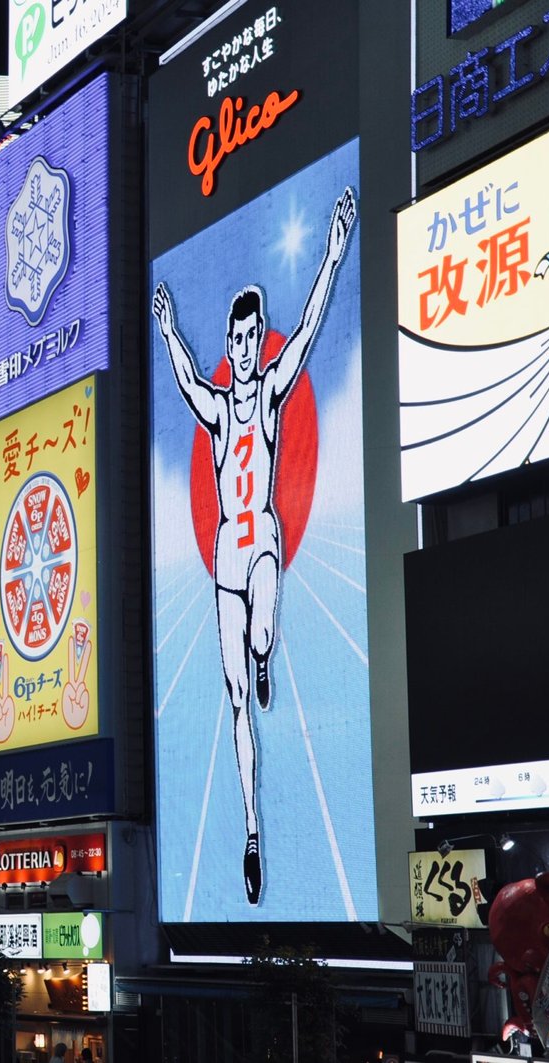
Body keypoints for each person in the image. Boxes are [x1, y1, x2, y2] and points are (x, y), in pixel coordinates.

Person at [152, 186, 356, 906]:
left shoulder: (268, 393)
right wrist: (170, 331)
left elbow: (307, 328)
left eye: (249, 338)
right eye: (234, 342)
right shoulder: (214, 404)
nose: (241, 351)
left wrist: (333, 254)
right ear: (226, 344)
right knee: (237, 700)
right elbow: (182, 376)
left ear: (256, 335)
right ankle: (251, 833)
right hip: (223, 561)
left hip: (261, 539)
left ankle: (266, 651)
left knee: (262, 636)